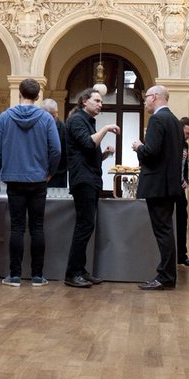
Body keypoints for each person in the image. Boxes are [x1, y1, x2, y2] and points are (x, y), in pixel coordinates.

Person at [0, 77, 61, 287]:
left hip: (14, 178)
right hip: (39, 178)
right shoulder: (47, 118)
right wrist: (50, 172)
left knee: (17, 228)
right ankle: (38, 276)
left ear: (20, 94)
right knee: (37, 227)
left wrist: (4, 170)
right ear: (38, 96)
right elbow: (56, 149)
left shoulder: (5, 117)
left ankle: (14, 275)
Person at [63, 87, 117, 288]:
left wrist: (104, 155)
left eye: (101, 102)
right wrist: (105, 129)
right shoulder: (77, 119)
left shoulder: (86, 121)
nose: (100, 104)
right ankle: (72, 273)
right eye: (97, 100)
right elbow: (87, 144)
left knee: (87, 226)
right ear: (84, 101)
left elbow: (88, 152)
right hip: (83, 180)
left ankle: (81, 270)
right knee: (84, 226)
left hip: (90, 178)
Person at [132, 84, 183, 290]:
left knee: (163, 231)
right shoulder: (175, 121)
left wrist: (138, 147)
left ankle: (166, 277)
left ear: (154, 98)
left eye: (146, 98)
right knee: (167, 230)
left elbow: (150, 152)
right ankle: (168, 275)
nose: (144, 102)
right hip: (169, 184)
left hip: (157, 185)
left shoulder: (157, 119)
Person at [176, 116, 189, 268]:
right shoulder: (172, 143)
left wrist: (186, 181)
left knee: (183, 220)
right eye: (187, 133)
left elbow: (184, 166)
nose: (188, 136)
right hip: (170, 189)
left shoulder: (185, 145)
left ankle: (182, 255)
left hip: (180, 189)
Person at [40, 98, 68, 187]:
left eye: (55, 113)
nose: (55, 116)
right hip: (40, 173)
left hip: (59, 174)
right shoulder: (39, 128)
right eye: (52, 114)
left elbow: (64, 152)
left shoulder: (63, 129)